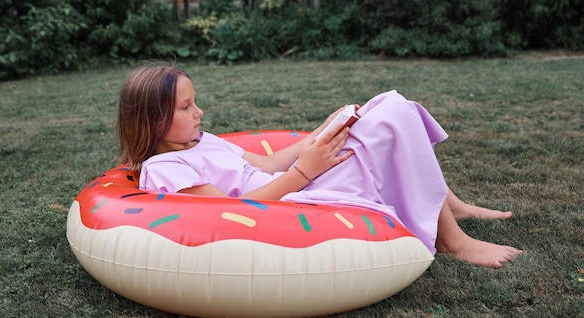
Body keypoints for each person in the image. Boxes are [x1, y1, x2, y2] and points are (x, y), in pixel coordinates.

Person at [117, 62, 523, 269]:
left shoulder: (202, 141)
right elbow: (231, 212)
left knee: (388, 104)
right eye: (187, 107)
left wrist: (323, 130)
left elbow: (270, 162)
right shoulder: (168, 167)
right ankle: (454, 240)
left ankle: (451, 205)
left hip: (292, 180)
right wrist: (305, 172)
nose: (199, 111)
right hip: (295, 198)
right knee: (394, 117)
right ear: (153, 121)